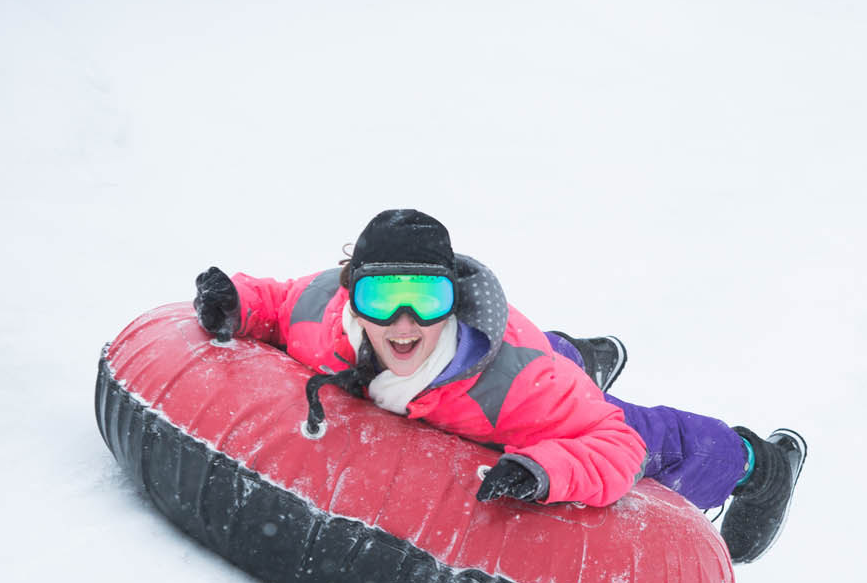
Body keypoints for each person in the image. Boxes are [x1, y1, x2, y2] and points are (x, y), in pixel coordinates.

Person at [192, 209, 805, 563]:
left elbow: (613, 444)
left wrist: (545, 470)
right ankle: (583, 355)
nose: (403, 323)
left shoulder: (518, 385)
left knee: (646, 434)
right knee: (556, 365)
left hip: (521, 381)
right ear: (351, 295)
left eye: (426, 299)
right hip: (531, 362)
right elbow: (274, 302)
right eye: (383, 298)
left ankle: (761, 463)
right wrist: (234, 300)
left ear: (453, 300)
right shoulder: (320, 314)